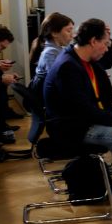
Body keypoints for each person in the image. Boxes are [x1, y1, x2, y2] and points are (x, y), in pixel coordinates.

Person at [44, 18, 112, 212]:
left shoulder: (81, 59)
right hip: (75, 129)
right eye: (105, 44)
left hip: (85, 121)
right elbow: (82, 110)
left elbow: (105, 64)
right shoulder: (68, 66)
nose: (107, 49)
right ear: (92, 41)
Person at [25, 12, 76, 145]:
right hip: (50, 101)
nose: (72, 34)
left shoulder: (56, 49)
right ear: (54, 33)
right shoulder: (51, 52)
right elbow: (59, 78)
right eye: (68, 30)